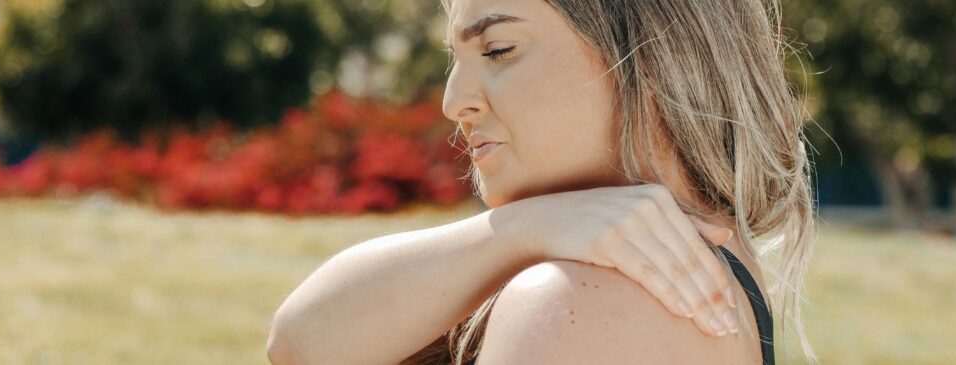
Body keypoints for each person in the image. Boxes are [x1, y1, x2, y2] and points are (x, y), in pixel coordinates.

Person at [268, 0, 817, 363]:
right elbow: (298, 343)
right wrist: (521, 230)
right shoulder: (689, 275)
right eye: (454, 60)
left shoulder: (577, 302)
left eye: (498, 50)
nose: (453, 101)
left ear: (651, 56)